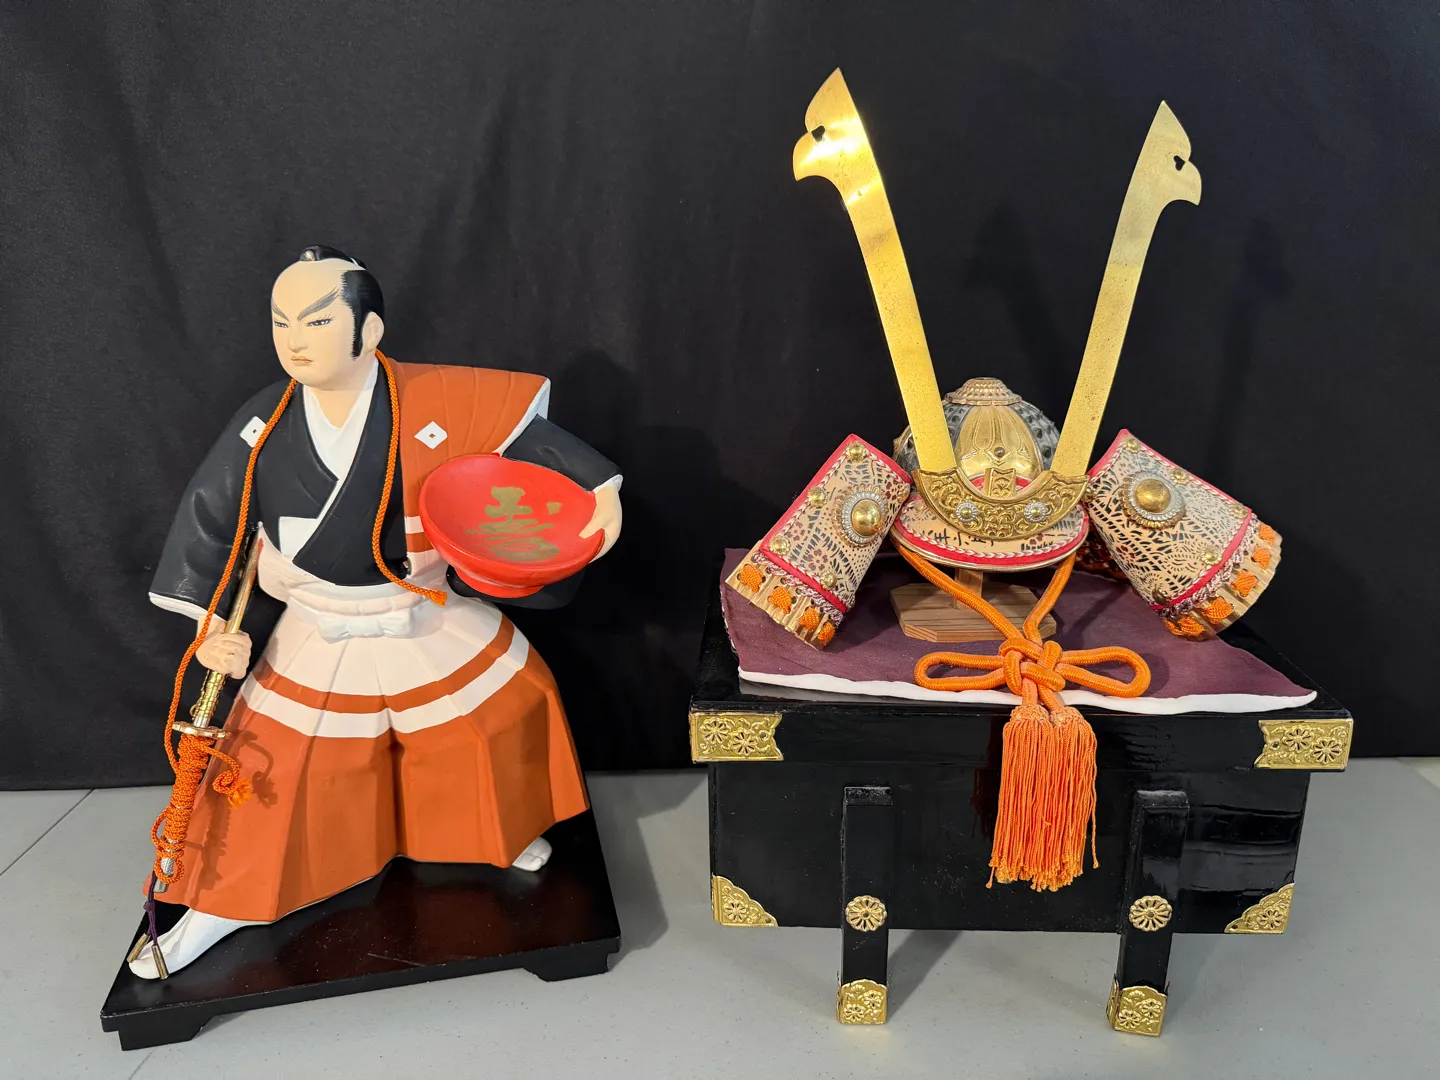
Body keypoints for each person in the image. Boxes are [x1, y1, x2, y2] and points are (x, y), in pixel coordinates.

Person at [130, 246, 621, 977]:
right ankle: (223, 906)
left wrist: (601, 489)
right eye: (281, 322)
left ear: (369, 330)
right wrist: (215, 631)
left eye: (317, 321)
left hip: (420, 607)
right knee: (273, 776)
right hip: (318, 626)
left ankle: (494, 835)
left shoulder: (434, 397)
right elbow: (213, 523)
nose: (296, 340)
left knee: (493, 719)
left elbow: (530, 440)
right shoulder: (263, 422)